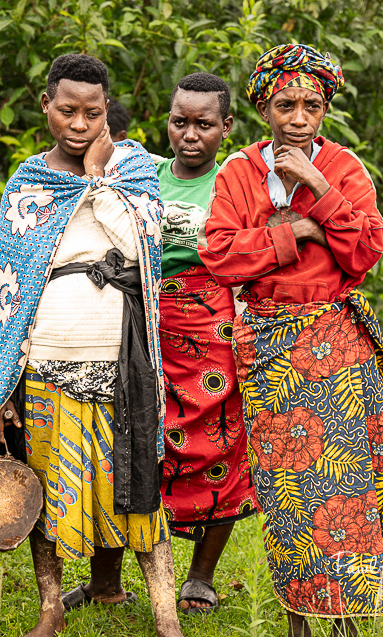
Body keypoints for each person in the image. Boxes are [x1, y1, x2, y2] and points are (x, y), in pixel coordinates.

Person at [199, 44, 383, 637]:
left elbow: (366, 251)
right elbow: (219, 255)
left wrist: (316, 188)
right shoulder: (239, 171)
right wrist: (299, 235)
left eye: (312, 104)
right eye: (285, 103)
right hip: (269, 345)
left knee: (349, 486)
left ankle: (347, 620)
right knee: (287, 488)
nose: (299, 116)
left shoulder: (342, 168)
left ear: (325, 108)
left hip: (337, 345)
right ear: (265, 108)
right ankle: (299, 619)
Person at [0, 53, 182, 637]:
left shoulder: (135, 170)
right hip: (46, 362)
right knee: (46, 489)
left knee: (138, 488)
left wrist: (98, 176)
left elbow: (142, 248)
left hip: (122, 365)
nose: (79, 123)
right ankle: (51, 609)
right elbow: (11, 292)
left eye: (92, 113)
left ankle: (166, 617)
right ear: (46, 105)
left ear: (106, 113)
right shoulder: (28, 181)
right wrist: (6, 382)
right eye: (67, 110)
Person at [159, 72, 257, 613]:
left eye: (204, 124)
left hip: (214, 326)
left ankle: (201, 575)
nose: (190, 134)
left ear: (227, 127)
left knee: (219, 441)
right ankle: (118, 574)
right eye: (180, 122)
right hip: (145, 321)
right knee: (139, 440)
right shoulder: (144, 176)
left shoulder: (234, 184)